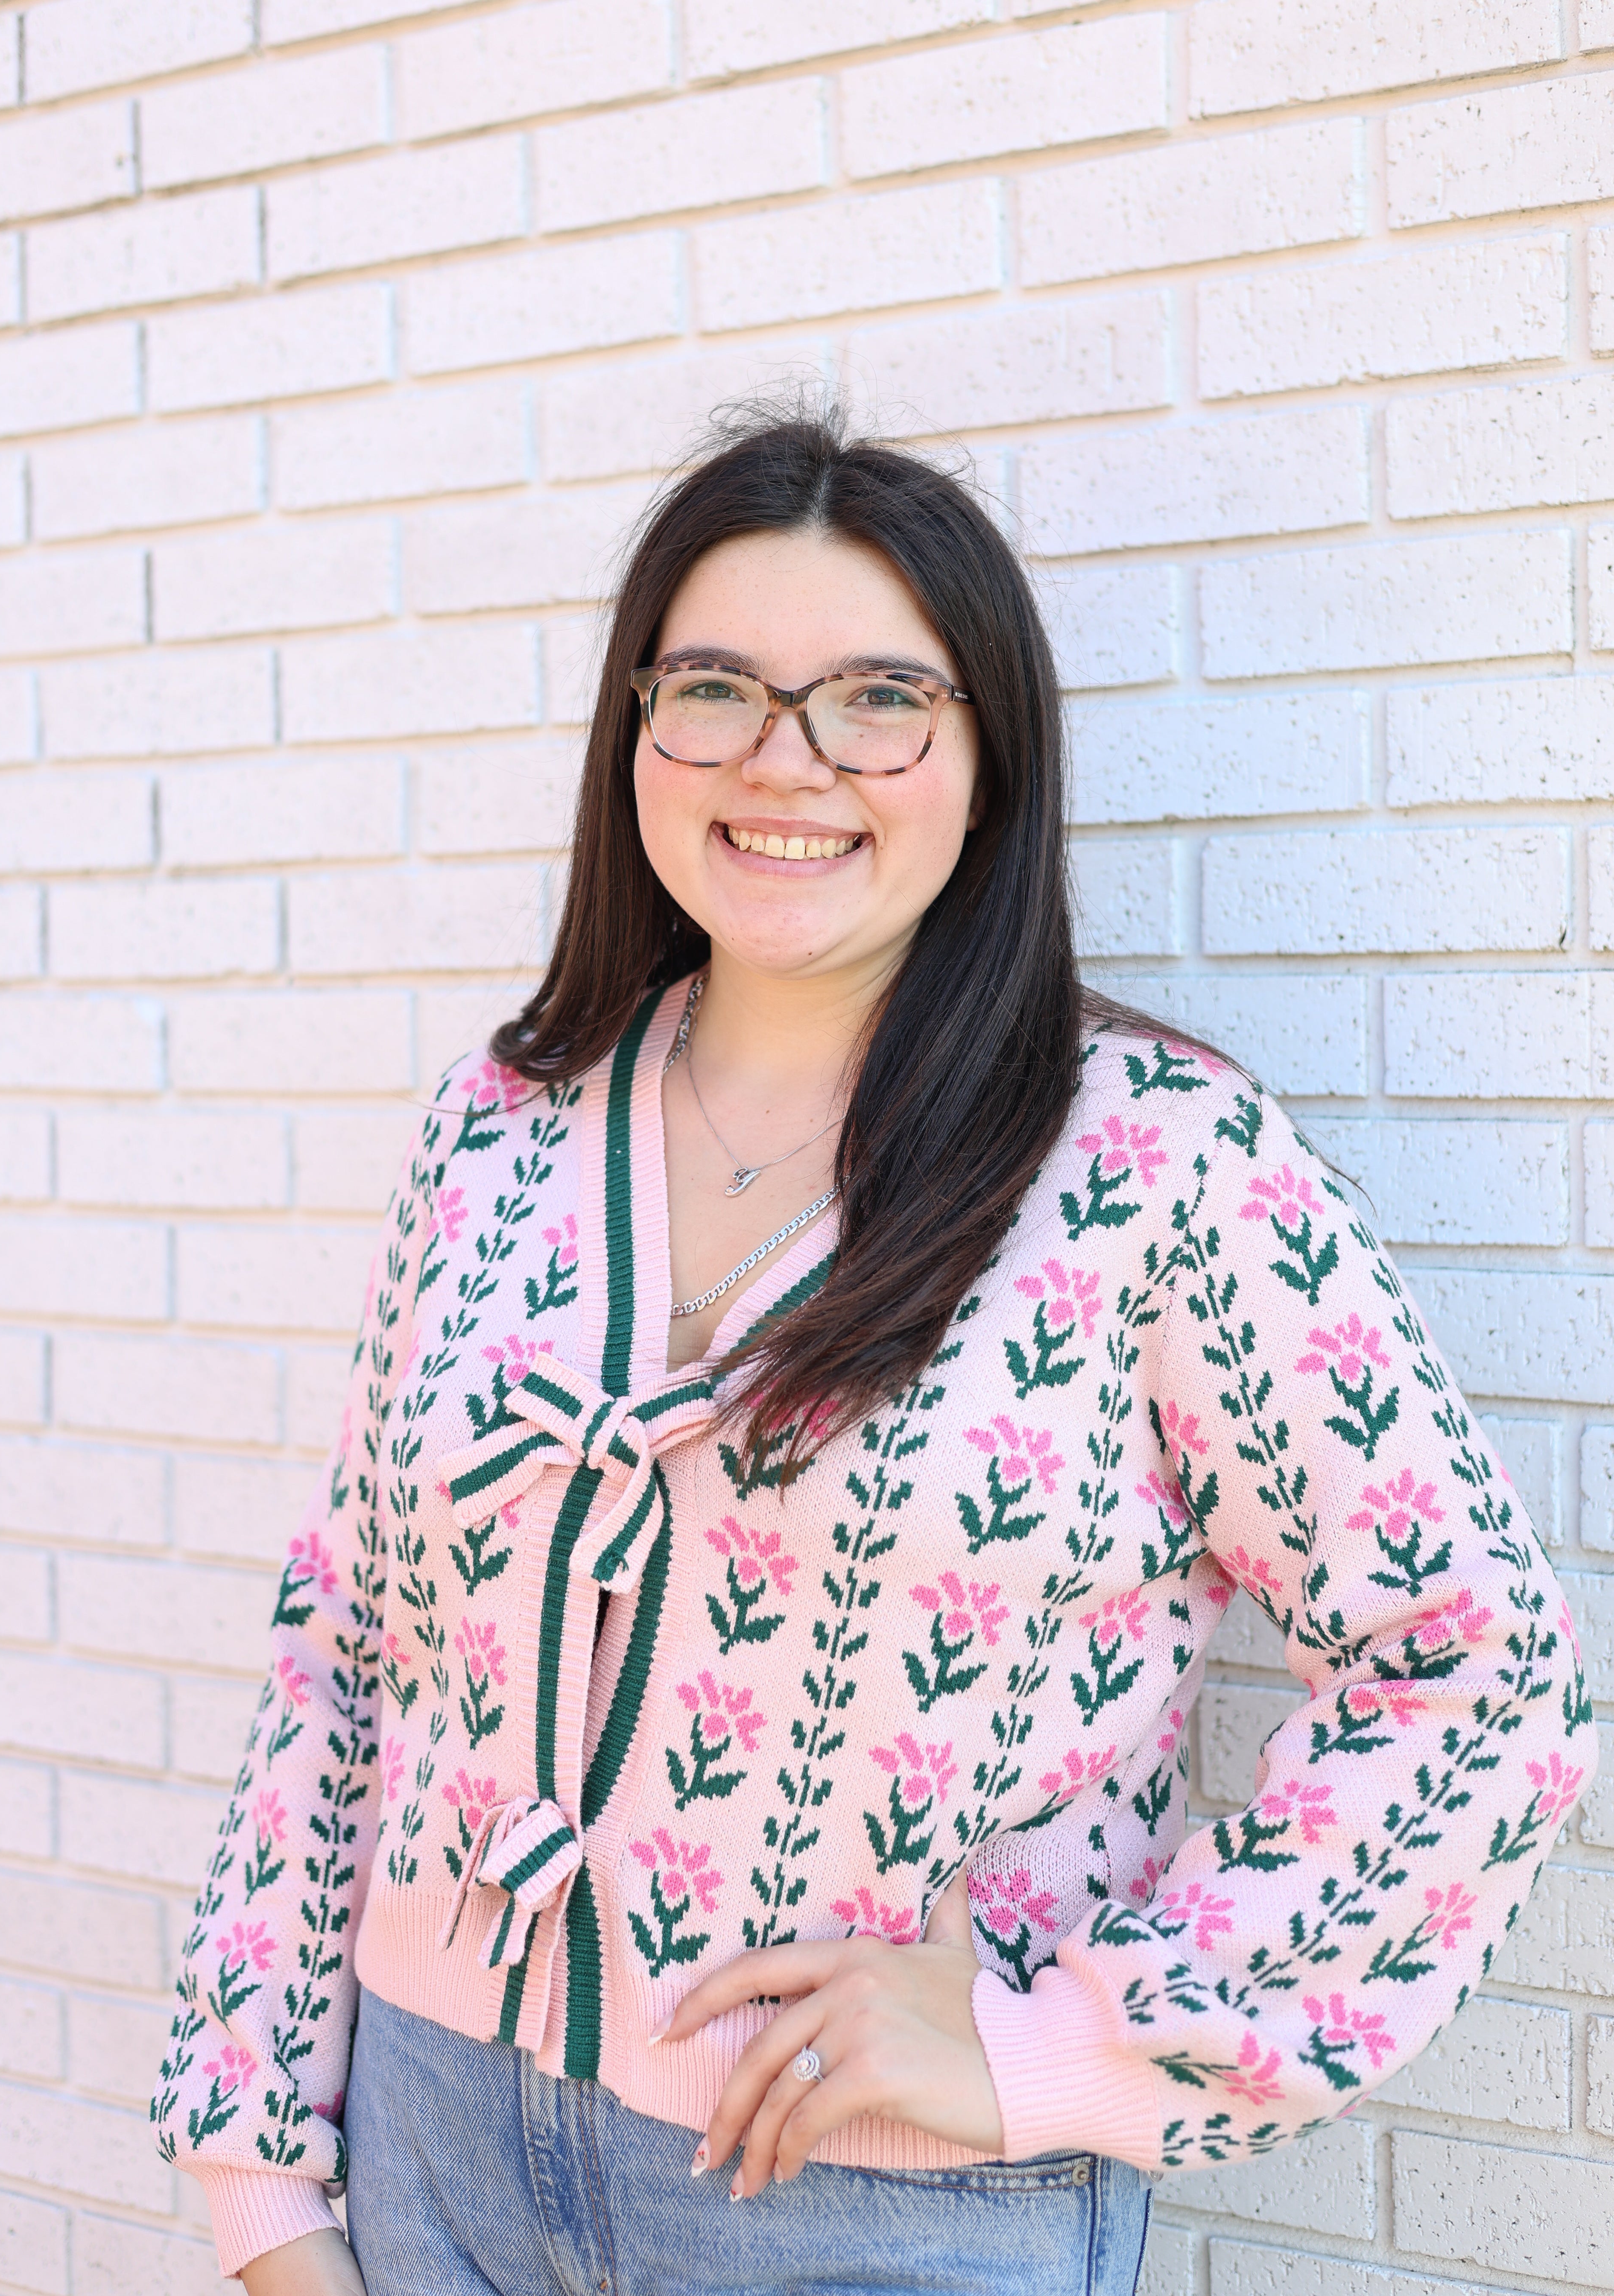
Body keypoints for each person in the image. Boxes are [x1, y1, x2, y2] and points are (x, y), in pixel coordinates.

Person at [152, 408, 1594, 2296]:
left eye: (877, 702)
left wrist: (1061, 2044)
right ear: (637, 733)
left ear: (987, 763)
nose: (788, 760)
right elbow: (349, 1633)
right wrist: (263, 2177)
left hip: (884, 2209)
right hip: (429, 2154)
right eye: (717, 689)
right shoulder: (497, 1130)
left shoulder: (1158, 1168)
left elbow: (1473, 1666)